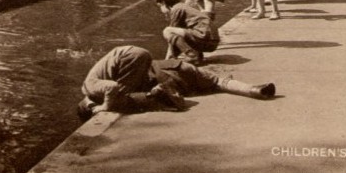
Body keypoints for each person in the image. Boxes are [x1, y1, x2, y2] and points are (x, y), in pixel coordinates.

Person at [77, 45, 275, 120]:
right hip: (178, 67)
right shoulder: (101, 78)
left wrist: (104, 107)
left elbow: (112, 91)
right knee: (218, 81)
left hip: (173, 83)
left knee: (127, 99)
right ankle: (254, 89)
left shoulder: (91, 87)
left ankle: (165, 99)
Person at [155, 0, 220, 64]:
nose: (160, 10)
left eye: (160, 6)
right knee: (183, 31)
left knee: (167, 30)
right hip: (212, 42)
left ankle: (192, 56)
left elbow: (171, 39)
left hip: (204, 38)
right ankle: (198, 56)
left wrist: (167, 59)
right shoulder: (184, 7)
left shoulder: (177, 8)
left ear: (163, 3)